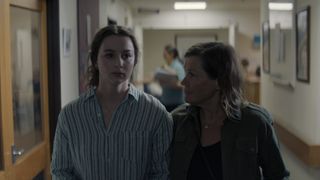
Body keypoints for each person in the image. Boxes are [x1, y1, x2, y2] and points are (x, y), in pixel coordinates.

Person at [51, 25, 173, 180]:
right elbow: (61, 171)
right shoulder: (71, 115)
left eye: (126, 55)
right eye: (109, 55)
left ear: (134, 60)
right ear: (95, 60)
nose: (119, 63)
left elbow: (161, 174)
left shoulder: (155, 114)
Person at [169, 42, 289, 180]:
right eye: (185, 73)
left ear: (220, 81)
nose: (183, 82)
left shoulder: (255, 122)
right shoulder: (177, 121)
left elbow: (278, 176)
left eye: (192, 75)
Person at [156, 44, 185, 112]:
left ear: (171, 54)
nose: (164, 56)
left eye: (165, 54)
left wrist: (171, 85)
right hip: (167, 102)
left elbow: (183, 84)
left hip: (175, 104)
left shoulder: (178, 67)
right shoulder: (168, 66)